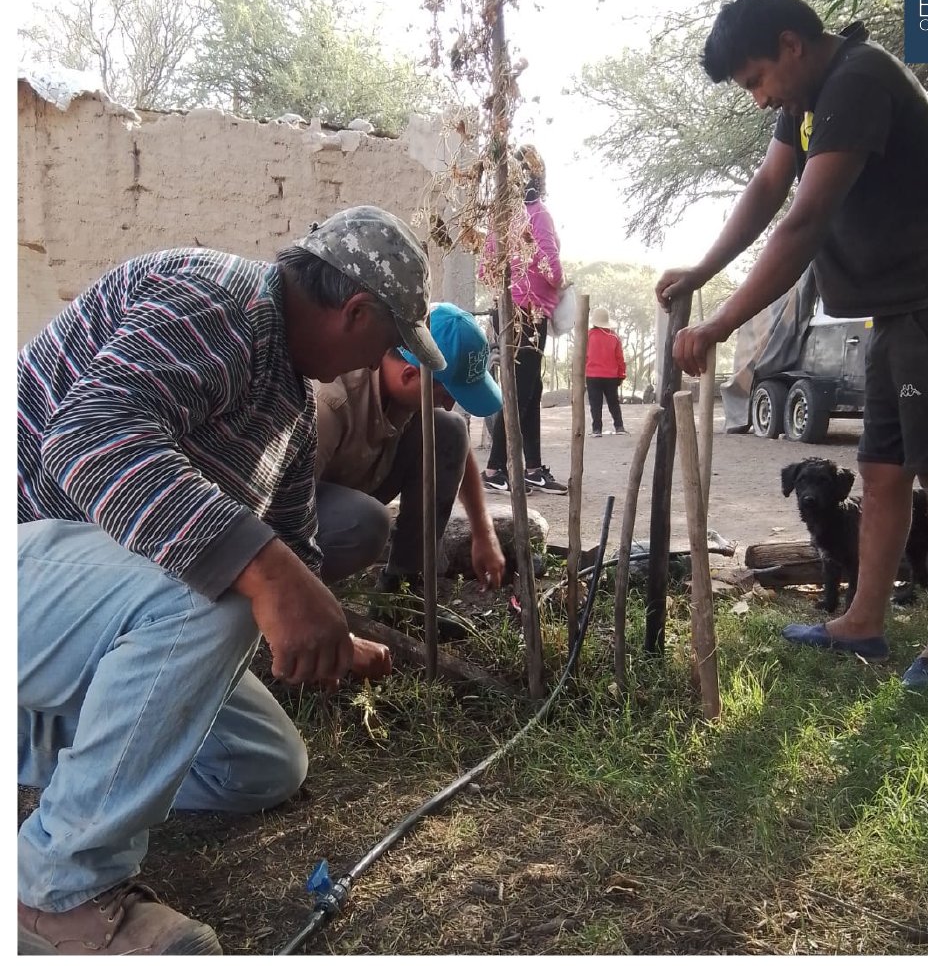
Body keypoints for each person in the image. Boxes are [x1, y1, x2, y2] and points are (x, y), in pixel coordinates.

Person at [16, 205, 444, 955]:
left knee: (265, 766)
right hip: (23, 564)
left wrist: (330, 632)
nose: (372, 361)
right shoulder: (215, 297)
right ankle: (57, 883)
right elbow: (86, 439)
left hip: (93, 608)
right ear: (355, 311)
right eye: (388, 341)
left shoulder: (289, 398)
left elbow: (293, 542)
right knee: (217, 582)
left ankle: (62, 766)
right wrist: (267, 574)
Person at [655, 0, 928, 690]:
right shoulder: (804, 102)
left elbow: (803, 219)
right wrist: (701, 269)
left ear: (790, 44)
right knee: (881, 471)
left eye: (756, 79)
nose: (758, 99)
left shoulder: (856, 80)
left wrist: (723, 321)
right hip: (894, 309)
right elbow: (766, 187)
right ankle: (861, 622)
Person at [314, 302, 506, 590]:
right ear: (409, 375)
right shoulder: (329, 403)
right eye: (444, 393)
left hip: (356, 482)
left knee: (448, 429)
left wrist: (483, 531)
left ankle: (403, 585)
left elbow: (457, 450)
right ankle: (312, 590)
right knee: (367, 522)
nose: (449, 403)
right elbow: (274, 509)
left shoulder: (402, 390)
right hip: (300, 506)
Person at [481, 145, 569, 495]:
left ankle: (532, 467)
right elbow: (552, 268)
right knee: (519, 391)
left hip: (505, 309)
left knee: (530, 390)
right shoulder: (538, 214)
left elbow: (486, 267)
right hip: (530, 312)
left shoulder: (500, 218)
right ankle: (495, 468)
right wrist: (561, 282)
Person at [585, 307, 628, 436]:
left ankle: (596, 429)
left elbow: (583, 356)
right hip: (611, 376)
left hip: (592, 375)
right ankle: (619, 427)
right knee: (613, 402)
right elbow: (620, 358)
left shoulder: (588, 335)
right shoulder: (614, 336)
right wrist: (621, 375)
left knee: (595, 404)